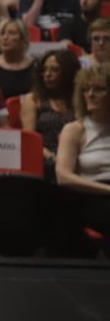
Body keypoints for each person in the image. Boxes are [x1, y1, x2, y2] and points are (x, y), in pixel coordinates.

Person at [55, 64, 110, 238]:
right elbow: (63, 177)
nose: (90, 94)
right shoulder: (75, 129)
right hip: (92, 194)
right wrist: (107, 189)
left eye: (99, 89)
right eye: (86, 89)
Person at [20, 49, 80, 170]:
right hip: (44, 158)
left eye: (55, 70)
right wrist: (53, 158)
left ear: (68, 73)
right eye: (45, 70)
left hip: (76, 156)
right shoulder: (33, 99)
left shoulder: (79, 99)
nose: (47, 74)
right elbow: (29, 141)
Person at [0, 20, 36, 99]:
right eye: (2, 33)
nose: (5, 37)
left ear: (23, 38)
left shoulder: (35, 66)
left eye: (12, 33)